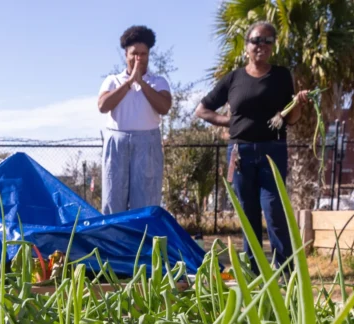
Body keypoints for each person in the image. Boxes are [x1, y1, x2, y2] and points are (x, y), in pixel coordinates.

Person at [195, 21, 311, 274]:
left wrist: (298, 104)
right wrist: (229, 121)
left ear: (273, 46)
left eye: (268, 41)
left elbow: (290, 119)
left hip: (273, 150)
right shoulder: (234, 78)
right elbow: (202, 109)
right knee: (248, 214)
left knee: (274, 212)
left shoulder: (281, 76)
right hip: (240, 154)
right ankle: (254, 271)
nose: (262, 45)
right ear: (247, 45)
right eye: (257, 40)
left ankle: (285, 273)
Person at [97, 25, 172, 215]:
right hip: (117, 143)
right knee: (113, 200)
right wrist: (130, 82)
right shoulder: (113, 80)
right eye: (134, 54)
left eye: (143, 54)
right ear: (126, 54)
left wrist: (141, 82)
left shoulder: (158, 82)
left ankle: (144, 242)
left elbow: (164, 107)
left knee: (146, 202)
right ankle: (113, 242)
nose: (139, 58)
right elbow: (103, 106)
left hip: (147, 144)